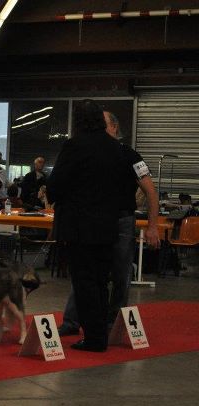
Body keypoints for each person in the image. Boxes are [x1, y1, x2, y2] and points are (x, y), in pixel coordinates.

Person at [57, 110, 160, 338]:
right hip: (94, 220)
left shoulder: (129, 155)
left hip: (122, 220)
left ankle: (113, 323)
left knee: (121, 274)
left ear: (114, 127)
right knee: (85, 272)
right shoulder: (90, 153)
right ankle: (73, 320)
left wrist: (153, 227)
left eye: (102, 124)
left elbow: (151, 192)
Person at [47, 99, 127, 352]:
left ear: (79, 120)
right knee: (102, 282)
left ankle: (93, 338)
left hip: (79, 227)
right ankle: (100, 334)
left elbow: (55, 186)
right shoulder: (116, 148)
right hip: (108, 226)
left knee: (84, 282)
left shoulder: (75, 146)